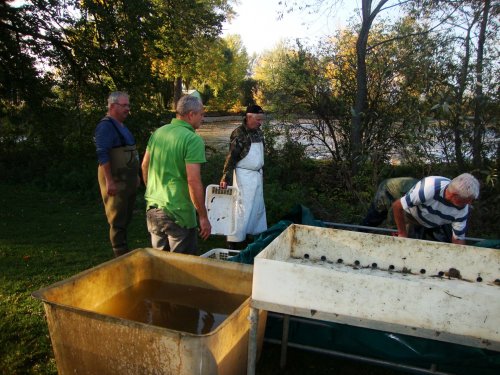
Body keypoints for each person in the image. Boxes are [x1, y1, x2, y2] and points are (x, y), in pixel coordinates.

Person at [141, 95, 211, 254]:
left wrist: (153, 191)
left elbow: (144, 165)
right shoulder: (192, 139)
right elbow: (193, 181)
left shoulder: (158, 133)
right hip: (179, 213)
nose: (203, 118)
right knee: (183, 270)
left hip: (153, 209)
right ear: (191, 114)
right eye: (201, 114)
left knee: (160, 266)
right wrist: (203, 217)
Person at [95, 91, 140, 257]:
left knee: (125, 216)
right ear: (112, 106)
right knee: (117, 219)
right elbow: (102, 154)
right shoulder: (105, 126)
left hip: (127, 180)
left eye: (128, 105)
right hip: (116, 180)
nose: (128, 108)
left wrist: (135, 176)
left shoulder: (122, 125)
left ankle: (124, 249)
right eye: (124, 105)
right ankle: (119, 254)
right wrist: (109, 181)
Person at [219, 104, 267, 249]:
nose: (260, 122)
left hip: (257, 174)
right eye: (258, 119)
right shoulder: (239, 133)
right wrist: (225, 177)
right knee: (241, 208)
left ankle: (252, 235)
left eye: (261, 119)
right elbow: (231, 157)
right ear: (249, 117)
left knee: (257, 207)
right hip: (243, 175)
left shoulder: (259, 132)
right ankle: (234, 240)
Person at [392, 173, 480, 245]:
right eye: (466, 200)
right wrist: (402, 233)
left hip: (437, 222)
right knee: (409, 246)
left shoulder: (463, 210)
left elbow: (458, 239)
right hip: (413, 216)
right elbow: (397, 205)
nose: (469, 203)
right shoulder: (428, 190)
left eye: (471, 200)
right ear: (454, 195)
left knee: (442, 246)